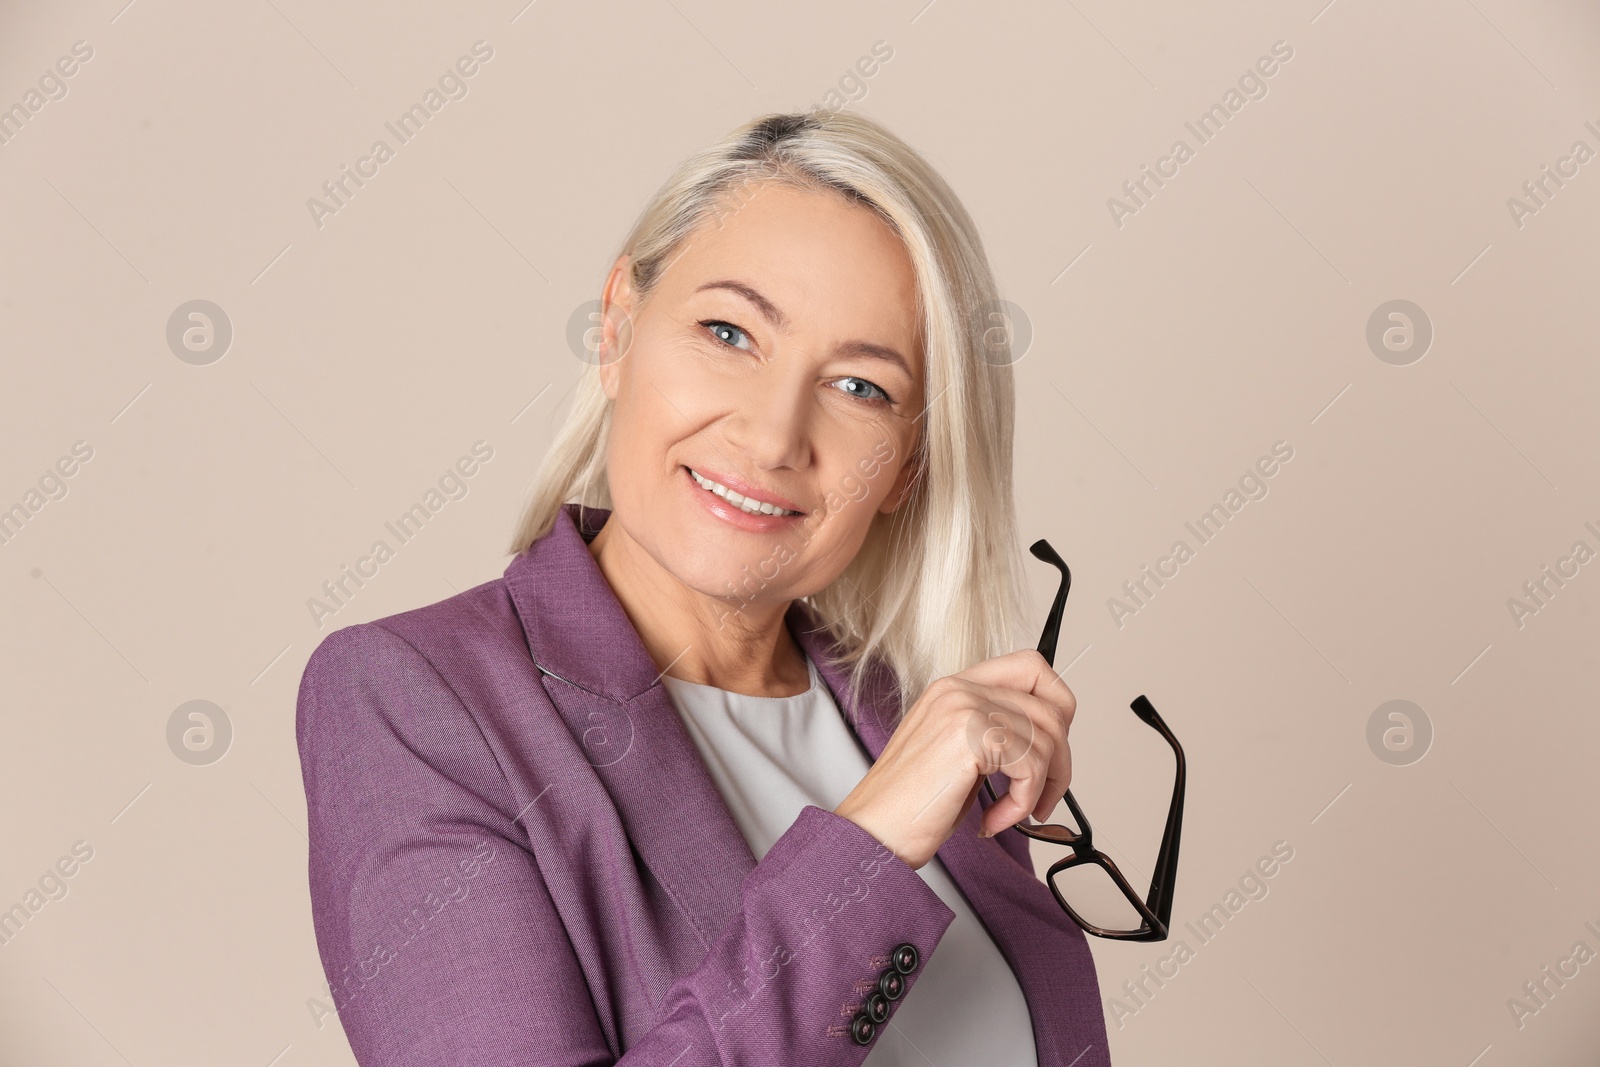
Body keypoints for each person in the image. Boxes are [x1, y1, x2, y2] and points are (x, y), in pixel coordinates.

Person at [296, 110, 1110, 1065]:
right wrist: (872, 848)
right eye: (729, 332)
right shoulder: (418, 701)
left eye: (860, 387)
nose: (771, 436)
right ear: (617, 330)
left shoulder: (915, 719)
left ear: (906, 469)